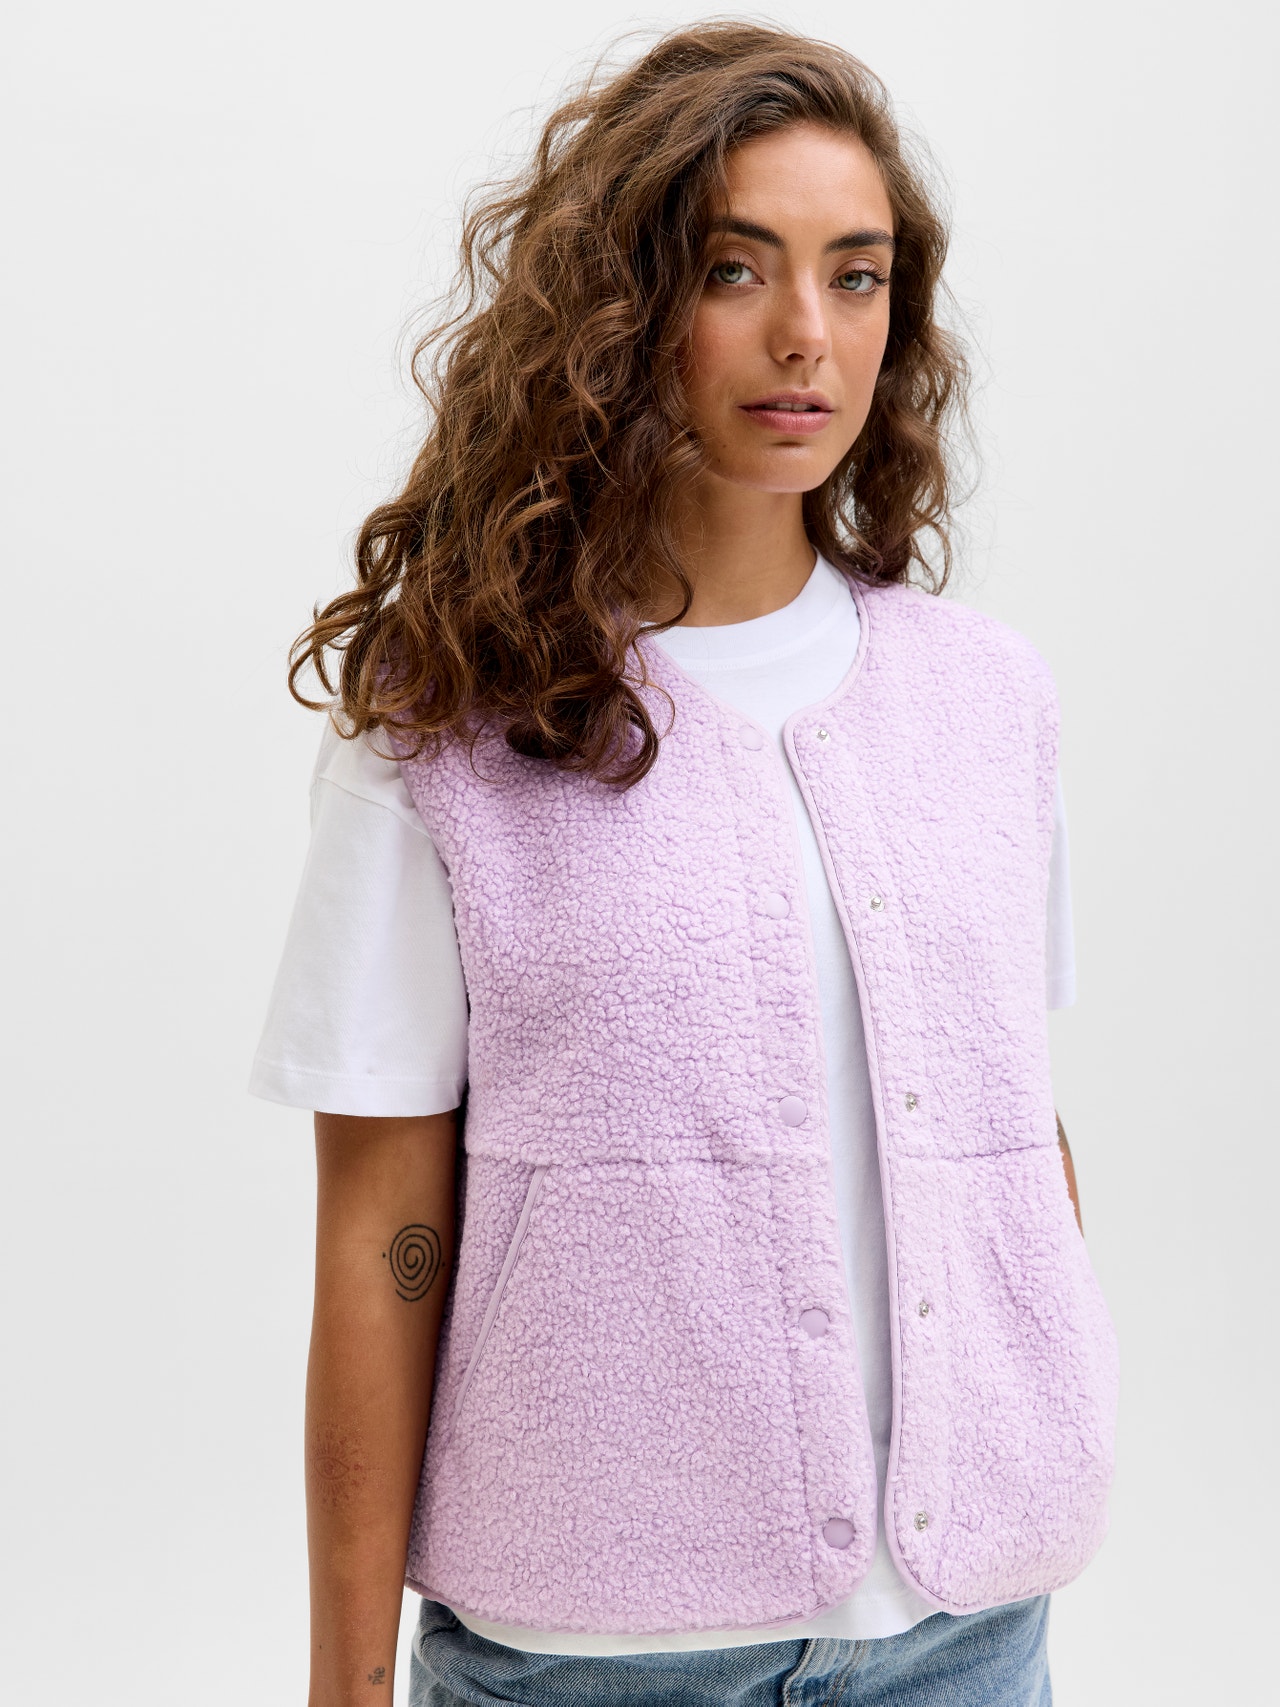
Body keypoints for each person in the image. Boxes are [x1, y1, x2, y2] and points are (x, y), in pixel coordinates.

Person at [251, 22, 1118, 1705]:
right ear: (621, 304)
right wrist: (346, 1692)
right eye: (736, 268)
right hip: (599, 1654)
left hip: (970, 1634)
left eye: (855, 276)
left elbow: (1011, 1124)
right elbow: (380, 1232)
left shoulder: (987, 701)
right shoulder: (453, 725)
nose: (806, 334)